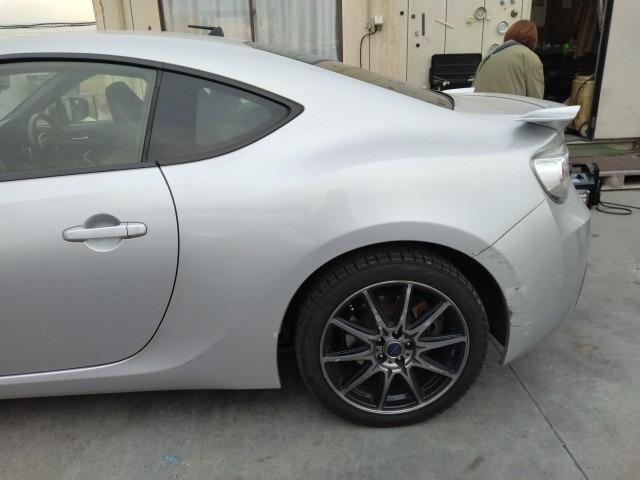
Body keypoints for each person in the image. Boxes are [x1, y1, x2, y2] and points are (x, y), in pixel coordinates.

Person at [473, 20, 544, 98]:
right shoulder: (530, 58)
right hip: (508, 105)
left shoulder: (489, 57)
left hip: (480, 104)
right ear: (532, 39)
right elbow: (536, 98)